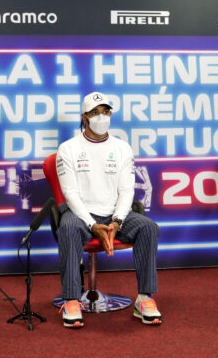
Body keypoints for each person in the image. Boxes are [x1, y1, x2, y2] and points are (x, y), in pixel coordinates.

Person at [55, 91, 161, 327]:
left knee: (149, 228)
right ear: (85, 117)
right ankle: (71, 300)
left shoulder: (123, 148)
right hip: (80, 215)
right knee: (68, 228)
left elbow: (127, 191)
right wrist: (93, 225)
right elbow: (70, 194)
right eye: (95, 113)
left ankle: (144, 298)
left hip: (114, 214)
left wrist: (117, 222)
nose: (101, 117)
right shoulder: (68, 148)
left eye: (105, 112)